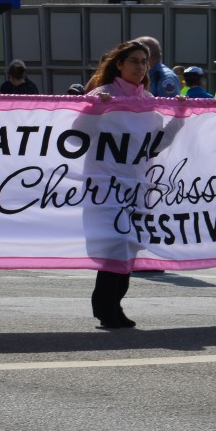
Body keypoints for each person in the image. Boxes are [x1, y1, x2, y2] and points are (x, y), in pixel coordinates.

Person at [84, 39, 156, 329]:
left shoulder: (149, 100)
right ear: (119, 64)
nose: (140, 67)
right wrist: (95, 111)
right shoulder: (102, 95)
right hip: (105, 186)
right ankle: (104, 307)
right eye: (135, 61)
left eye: (144, 62)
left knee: (128, 248)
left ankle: (115, 304)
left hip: (136, 186)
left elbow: (156, 144)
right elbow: (77, 134)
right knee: (114, 246)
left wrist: (179, 117)